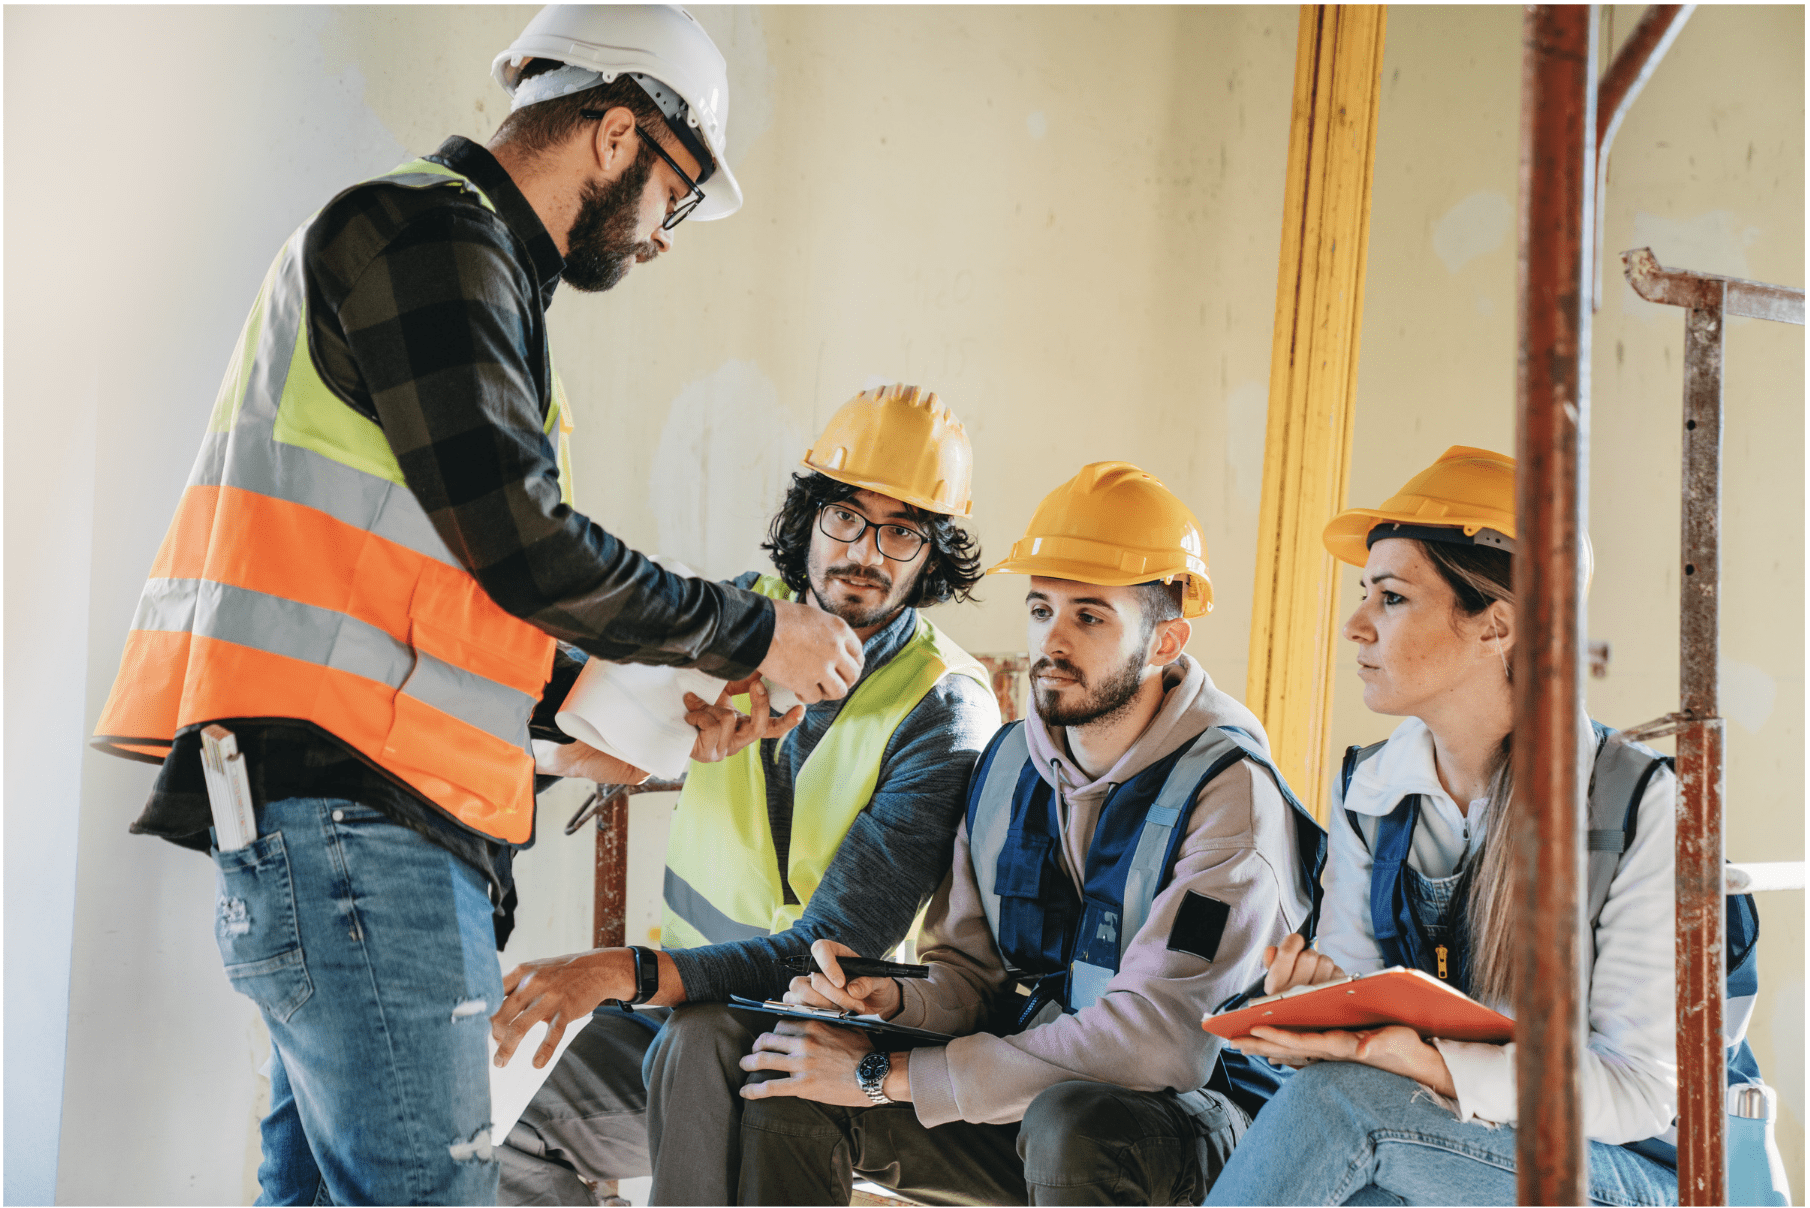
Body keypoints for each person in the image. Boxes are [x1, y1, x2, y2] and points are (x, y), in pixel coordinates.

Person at [87, 7, 864, 1204]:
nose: (665, 239)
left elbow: (456, 604)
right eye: (678, 194)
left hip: (352, 823)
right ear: (615, 133)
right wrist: (758, 628)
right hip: (358, 833)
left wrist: (644, 709)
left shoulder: (468, 273)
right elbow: (529, 548)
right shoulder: (428, 239)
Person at [730, 462, 1327, 1206]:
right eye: (1042, 608)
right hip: (1038, 1097)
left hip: (1206, 1121)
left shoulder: (1230, 796)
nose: (1053, 639)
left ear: (1167, 640)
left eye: (1090, 616)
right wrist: (893, 1003)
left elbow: (1156, 1043)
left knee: (1075, 1123)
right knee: (794, 1077)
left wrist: (882, 1076)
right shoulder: (1010, 764)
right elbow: (969, 979)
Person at [491, 384, 1003, 1206]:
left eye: (902, 532)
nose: (865, 551)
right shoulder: (736, 616)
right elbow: (581, 735)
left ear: (932, 560)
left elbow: (821, 950)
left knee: (700, 1046)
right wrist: (616, 746)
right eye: (845, 517)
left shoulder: (944, 708)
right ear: (806, 521)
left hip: (824, 1034)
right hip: (680, 1004)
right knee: (502, 1106)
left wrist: (614, 969)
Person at [1204, 445, 1684, 1206]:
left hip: (1622, 1172)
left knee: (1341, 1109)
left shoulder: (1633, 804)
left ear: (1496, 626)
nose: (1358, 626)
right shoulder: (1373, 787)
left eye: (1391, 598)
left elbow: (1636, 1092)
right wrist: (1322, 1011)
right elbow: (1360, 1012)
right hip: (1452, 1138)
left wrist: (1422, 1062)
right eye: (1365, 594)